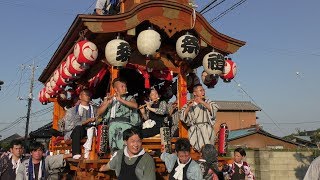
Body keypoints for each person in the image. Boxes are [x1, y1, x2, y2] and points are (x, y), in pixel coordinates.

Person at [97, 78, 140, 151]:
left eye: (125, 86)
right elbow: (99, 112)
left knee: (125, 141)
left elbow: (135, 105)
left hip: (126, 124)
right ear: (116, 89)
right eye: (122, 86)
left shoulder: (130, 98)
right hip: (112, 125)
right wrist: (107, 103)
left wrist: (121, 100)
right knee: (113, 143)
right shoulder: (109, 99)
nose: (125, 88)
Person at [180, 84, 219, 151]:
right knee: (194, 149)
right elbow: (182, 116)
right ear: (195, 93)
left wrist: (202, 102)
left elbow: (214, 109)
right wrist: (189, 107)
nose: (203, 92)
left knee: (207, 148)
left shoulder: (208, 101)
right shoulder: (189, 103)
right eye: (201, 90)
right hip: (194, 130)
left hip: (206, 129)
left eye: (203, 90)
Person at [62, 89, 97, 159]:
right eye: (86, 95)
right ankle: (76, 153)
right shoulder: (72, 110)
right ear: (80, 97)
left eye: (89, 95)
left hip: (90, 129)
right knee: (78, 128)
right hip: (75, 131)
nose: (88, 96)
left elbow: (99, 116)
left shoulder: (94, 109)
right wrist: (88, 121)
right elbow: (71, 125)